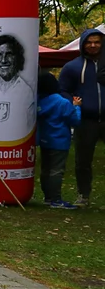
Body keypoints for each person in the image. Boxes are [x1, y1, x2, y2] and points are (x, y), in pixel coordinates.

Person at [60, 29, 105, 206]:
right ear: (82, 44)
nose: (93, 45)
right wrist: (72, 101)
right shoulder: (72, 67)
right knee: (83, 160)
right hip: (86, 119)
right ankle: (83, 195)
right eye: (89, 42)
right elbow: (62, 89)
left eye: (97, 42)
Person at [38, 70, 81, 209]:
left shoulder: (39, 101)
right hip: (59, 140)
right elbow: (74, 120)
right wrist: (77, 107)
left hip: (44, 139)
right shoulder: (62, 102)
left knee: (46, 169)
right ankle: (55, 199)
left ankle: (48, 197)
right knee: (56, 170)